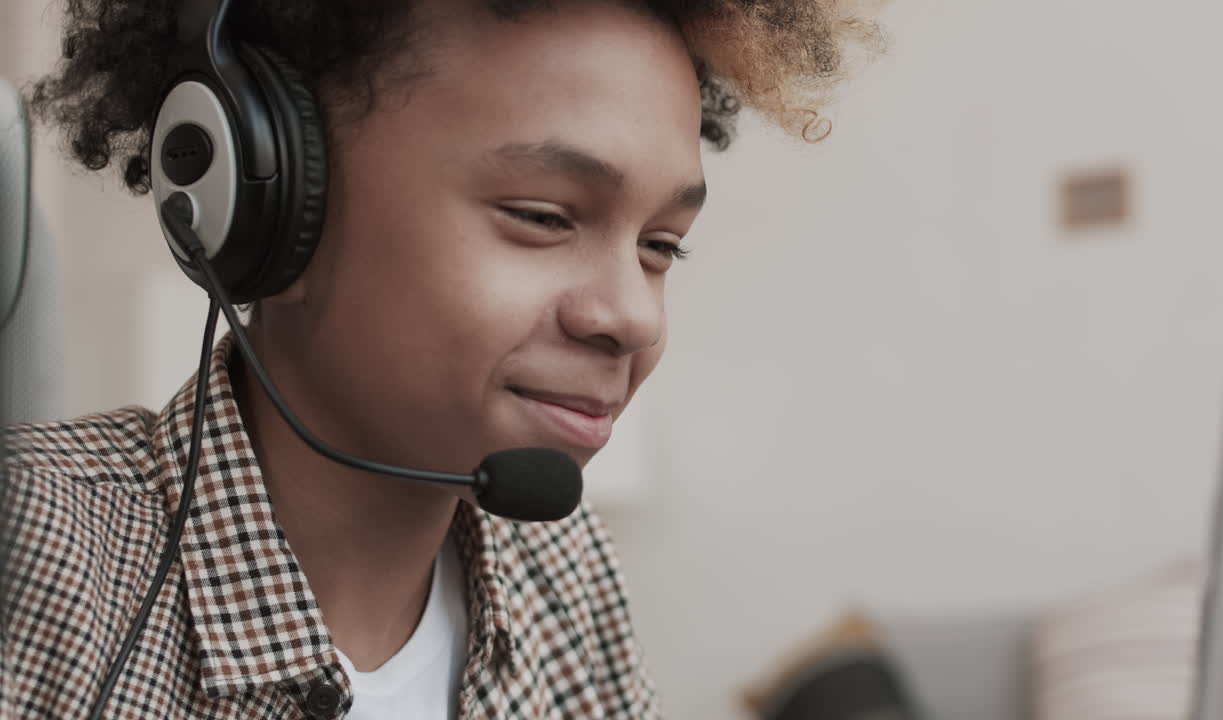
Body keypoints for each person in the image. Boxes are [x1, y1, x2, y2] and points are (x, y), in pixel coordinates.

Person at [1, 0, 881, 717]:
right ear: (260, 206)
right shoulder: (33, 557)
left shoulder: (565, 577)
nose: (631, 316)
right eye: (543, 216)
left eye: (661, 247)